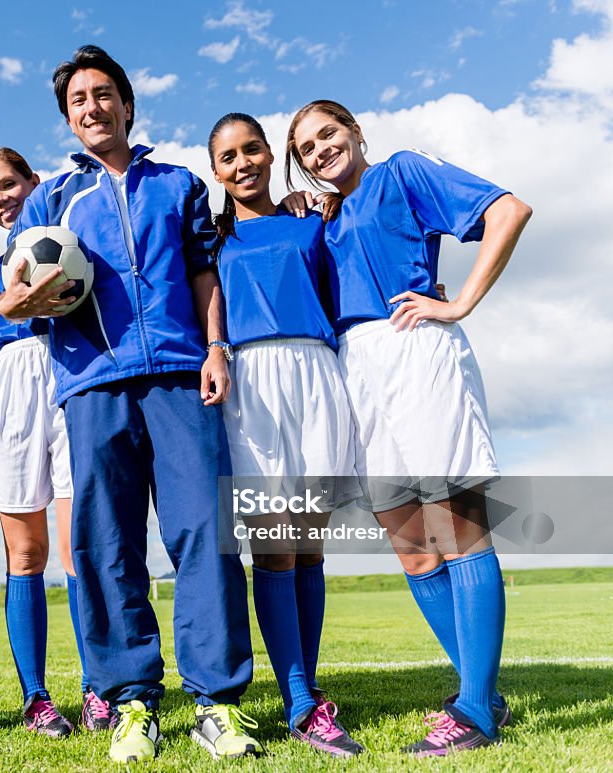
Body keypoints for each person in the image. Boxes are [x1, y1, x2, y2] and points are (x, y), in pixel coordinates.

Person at [0, 45, 261, 763]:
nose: (92, 107)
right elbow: (11, 299)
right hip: (91, 385)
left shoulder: (176, 183)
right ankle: (132, 702)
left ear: (126, 103)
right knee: (107, 547)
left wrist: (215, 348)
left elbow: (205, 272)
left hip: (180, 374)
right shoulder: (50, 200)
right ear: (69, 118)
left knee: (205, 533)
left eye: (102, 93)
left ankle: (217, 703)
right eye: (78, 99)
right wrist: (24, 298)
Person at [286, 99, 532, 756]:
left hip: (419, 351)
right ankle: (486, 691)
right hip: (357, 370)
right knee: (413, 548)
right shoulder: (326, 219)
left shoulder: (403, 172)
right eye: (307, 148)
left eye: (328, 134)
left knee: (457, 530)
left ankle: (475, 708)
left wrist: (459, 304)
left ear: (356, 132)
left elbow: (509, 210)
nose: (320, 152)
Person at [207, 112, 363, 758]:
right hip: (252, 382)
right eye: (226, 157)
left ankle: (309, 684)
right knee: (275, 547)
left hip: (317, 372)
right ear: (215, 171)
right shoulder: (210, 239)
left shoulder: (312, 223)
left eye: (251, 150)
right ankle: (300, 699)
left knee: (310, 547)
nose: (242, 163)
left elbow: (343, 293)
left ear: (272, 155)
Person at [0, 147, 111, 736]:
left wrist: (82, 166)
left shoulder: (71, 242)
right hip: (10, 390)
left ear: (34, 182)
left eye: (10, 185)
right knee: (24, 554)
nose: (2, 199)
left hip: (69, 378)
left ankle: (98, 688)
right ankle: (36, 698)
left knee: (77, 547)